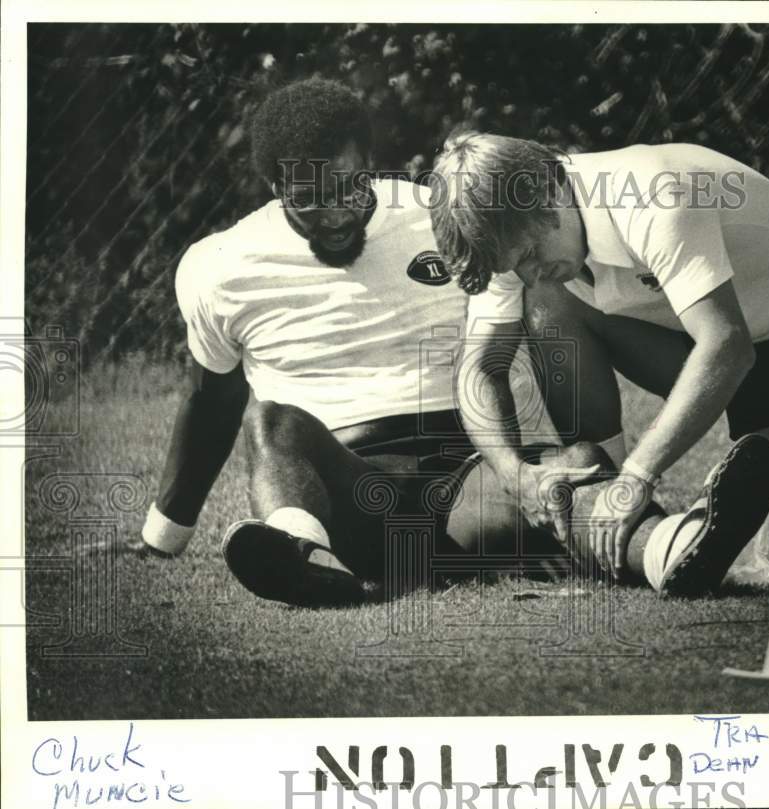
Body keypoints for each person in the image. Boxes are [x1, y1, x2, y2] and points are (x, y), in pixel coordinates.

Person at [136, 79, 613, 606]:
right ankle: (301, 556)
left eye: (350, 186)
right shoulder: (219, 266)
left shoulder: (443, 217)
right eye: (310, 199)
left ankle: (663, 550)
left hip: (471, 478)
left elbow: (532, 314)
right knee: (270, 420)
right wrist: (162, 539)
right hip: (355, 499)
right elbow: (211, 401)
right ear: (274, 186)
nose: (337, 213)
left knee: (572, 469)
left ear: (370, 161)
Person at [429, 132, 769, 592]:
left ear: (550, 191)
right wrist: (515, 474)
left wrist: (640, 476)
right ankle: (603, 496)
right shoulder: (518, 239)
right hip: (728, 345)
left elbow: (726, 344)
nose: (527, 272)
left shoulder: (652, 192)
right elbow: (480, 368)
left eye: (531, 253)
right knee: (550, 301)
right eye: (513, 265)